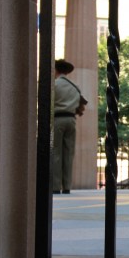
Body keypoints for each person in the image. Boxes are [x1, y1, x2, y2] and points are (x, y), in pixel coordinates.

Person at [53, 59, 87, 194]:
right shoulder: (75, 87)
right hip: (71, 120)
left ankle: (56, 186)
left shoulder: (55, 85)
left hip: (57, 119)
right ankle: (67, 186)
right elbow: (81, 105)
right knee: (68, 154)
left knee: (56, 152)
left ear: (56, 70)